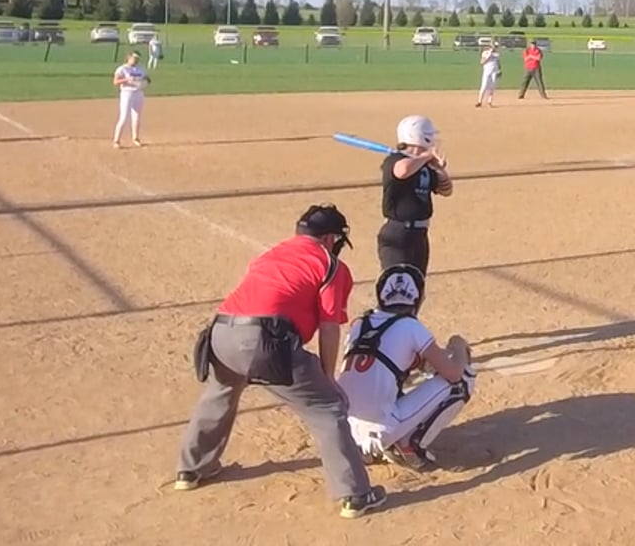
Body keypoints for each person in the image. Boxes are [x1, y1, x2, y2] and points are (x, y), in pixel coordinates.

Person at [176, 205, 386, 519]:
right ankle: (355, 495)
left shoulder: (270, 254)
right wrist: (327, 378)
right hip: (264, 340)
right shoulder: (330, 265)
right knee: (327, 408)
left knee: (220, 393)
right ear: (330, 239)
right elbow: (329, 327)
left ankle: (191, 469)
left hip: (220, 333)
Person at [338, 265, 477, 470]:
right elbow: (453, 374)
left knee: (393, 378)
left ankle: (372, 447)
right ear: (417, 299)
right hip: (380, 430)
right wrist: (458, 344)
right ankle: (408, 444)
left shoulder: (359, 324)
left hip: (345, 431)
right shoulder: (411, 326)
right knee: (463, 377)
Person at [379, 115, 452, 278]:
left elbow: (446, 190)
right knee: (397, 287)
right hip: (398, 234)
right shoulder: (395, 160)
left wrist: (439, 169)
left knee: (417, 286)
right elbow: (402, 171)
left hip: (419, 234)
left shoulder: (424, 166)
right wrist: (426, 156)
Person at [112, 51, 149, 148]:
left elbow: (147, 79)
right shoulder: (122, 69)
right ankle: (116, 141)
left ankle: (135, 138)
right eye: (134, 58)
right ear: (129, 57)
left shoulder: (141, 69)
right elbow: (115, 82)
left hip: (138, 93)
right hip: (127, 93)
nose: (136, 60)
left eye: (137, 58)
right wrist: (126, 80)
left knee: (136, 117)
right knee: (124, 117)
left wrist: (145, 83)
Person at [476, 41, 500, 107]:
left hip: (494, 72)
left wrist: (499, 70)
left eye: (496, 47)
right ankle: (479, 101)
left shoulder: (497, 54)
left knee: (492, 87)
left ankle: (489, 102)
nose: (496, 48)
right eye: (495, 46)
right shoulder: (485, 52)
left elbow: (498, 62)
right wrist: (488, 55)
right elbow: (482, 62)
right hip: (487, 71)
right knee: (484, 86)